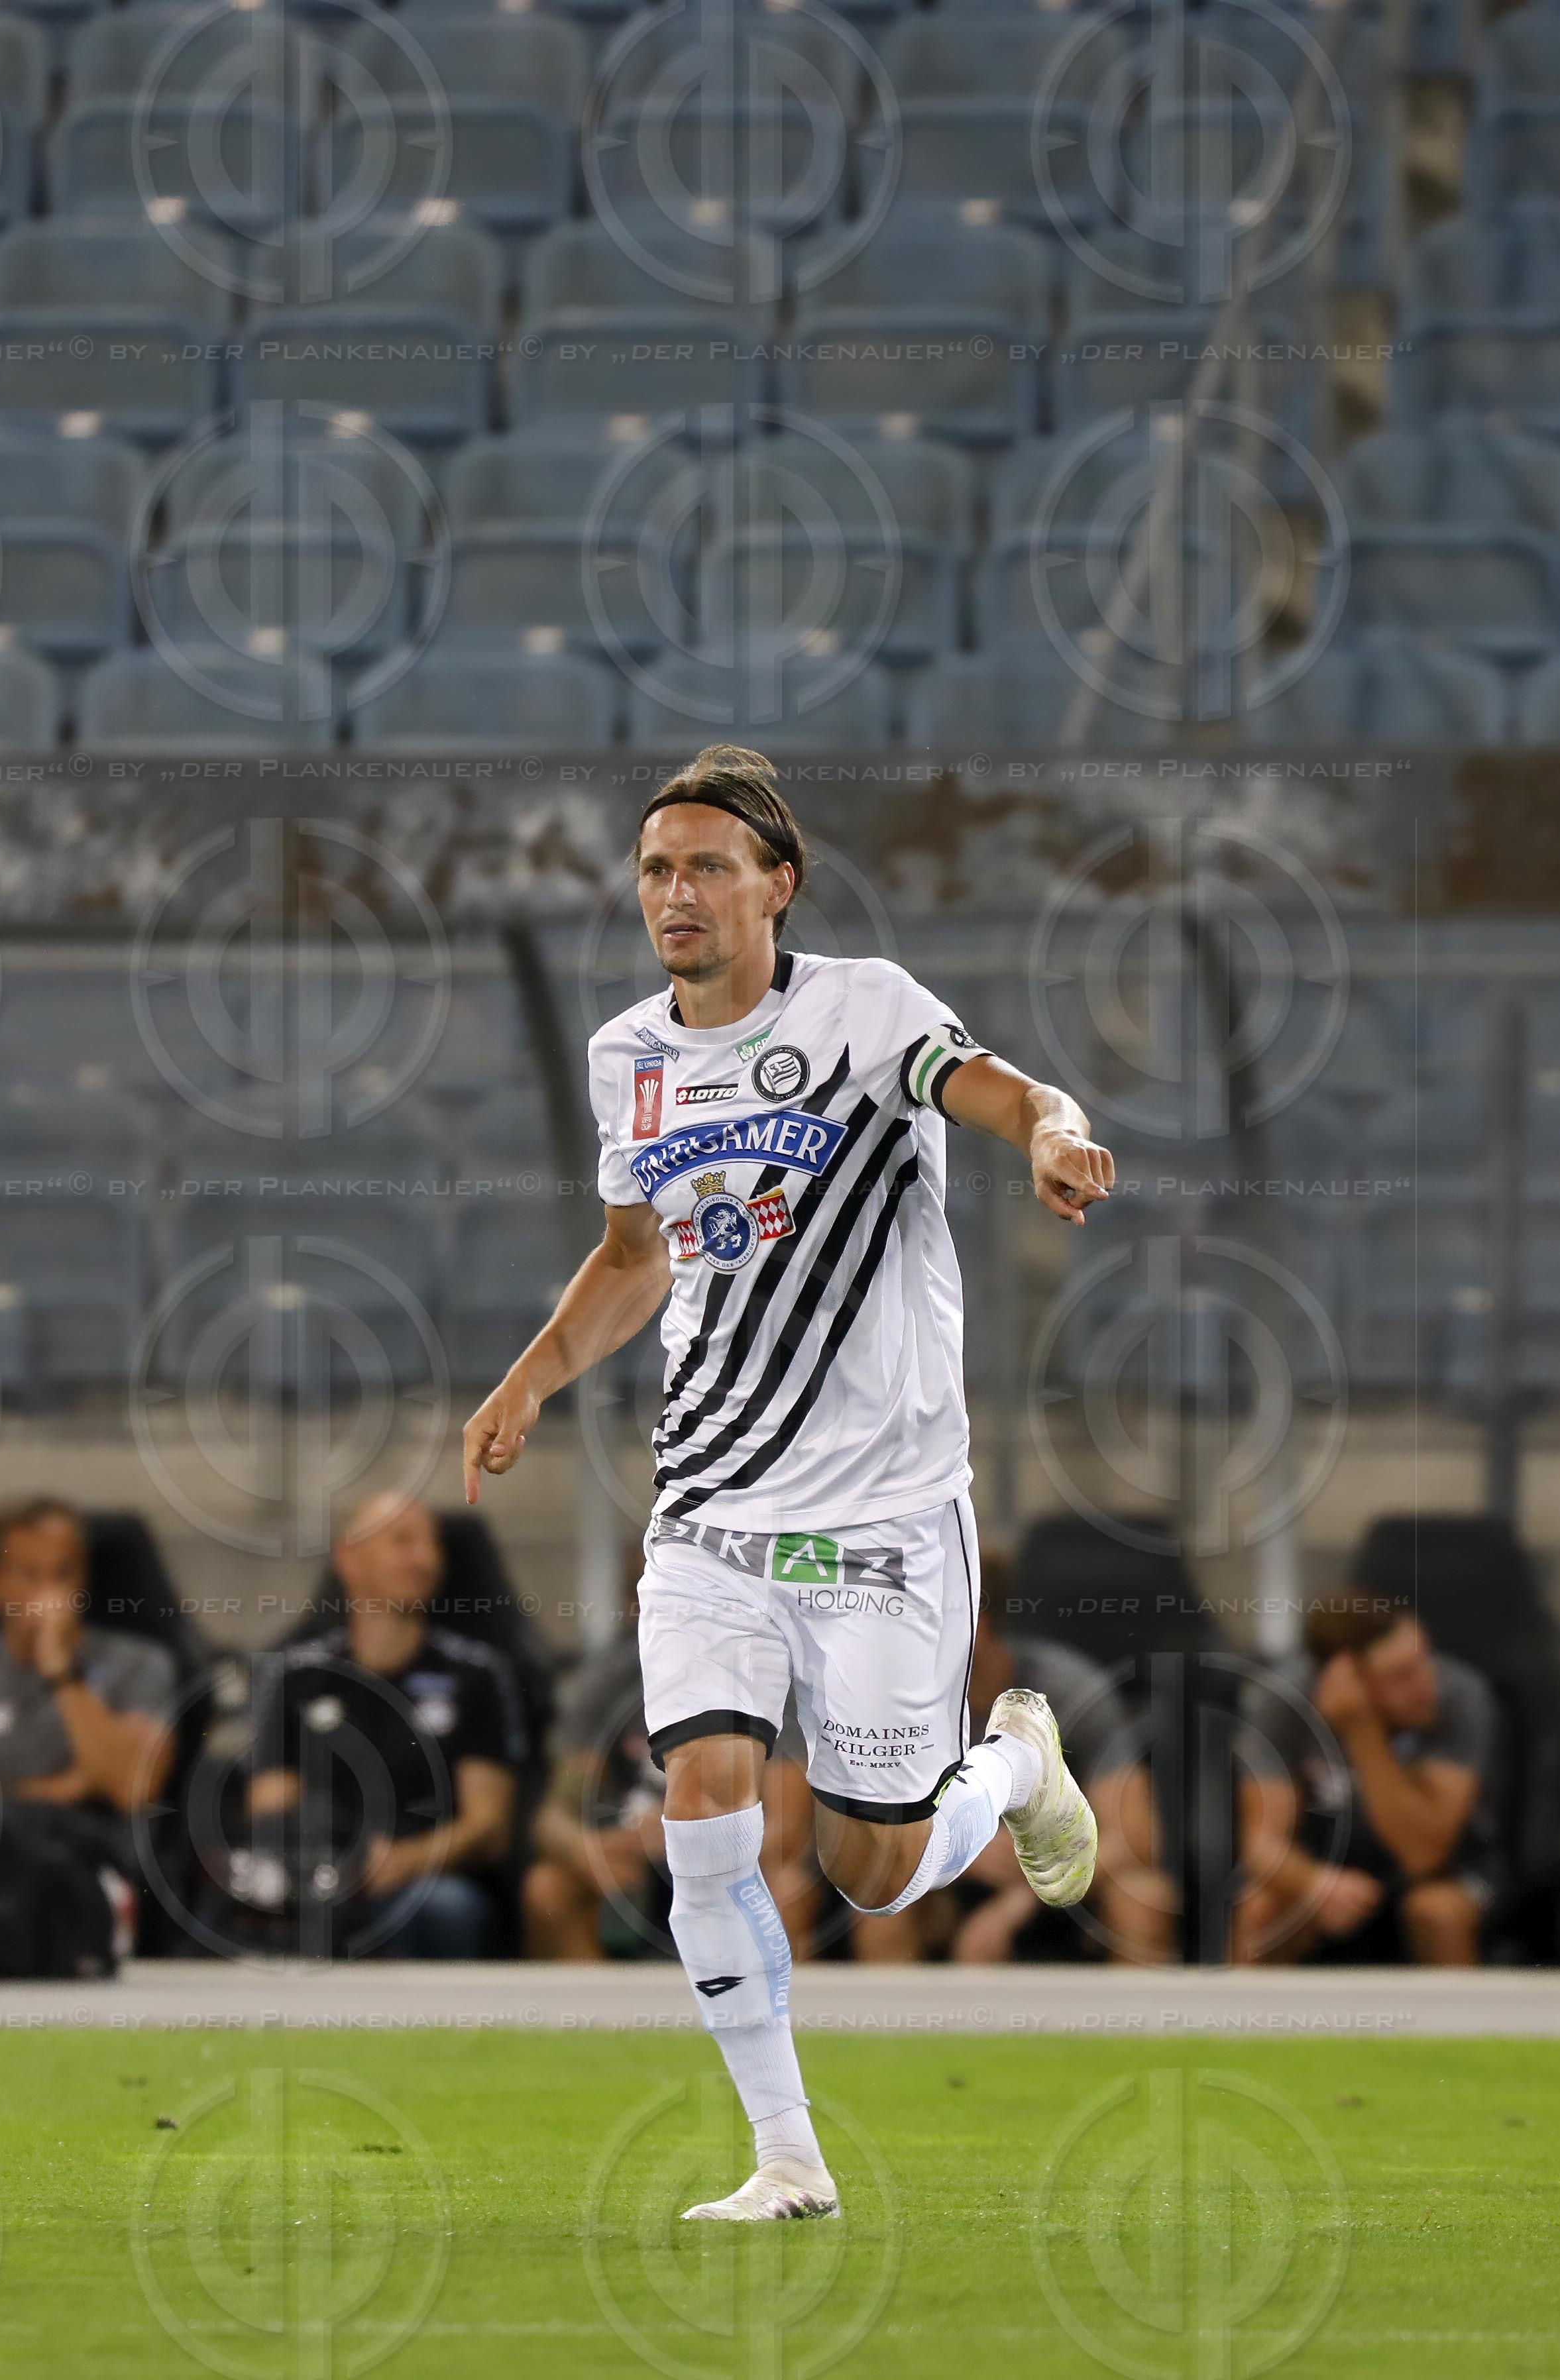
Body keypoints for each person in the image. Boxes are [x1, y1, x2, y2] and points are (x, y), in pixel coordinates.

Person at [461, 744, 1119, 2222]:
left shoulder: (868, 1011)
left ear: (778, 882)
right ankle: (786, 2156)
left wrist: (1059, 1133)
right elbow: (639, 1255)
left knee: (873, 1868)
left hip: (884, 1519)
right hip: (710, 1504)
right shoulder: (626, 1055)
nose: (672, 893)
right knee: (704, 1800)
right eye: (652, 869)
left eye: (702, 866)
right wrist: (533, 1376)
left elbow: (1002, 1091)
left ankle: (1013, 1765)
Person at [845, 1553, 1168, 1965]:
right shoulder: (900, 1701)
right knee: (881, 1905)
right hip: (951, 1877)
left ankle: (1135, 2027)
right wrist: (967, 1855)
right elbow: (879, 1832)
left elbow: (1136, 1836)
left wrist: (1030, 1892)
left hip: (1071, 1877)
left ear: (981, 1617)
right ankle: (888, 2026)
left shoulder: (1072, 1691)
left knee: (1144, 1897)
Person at [245, 1493, 529, 1960]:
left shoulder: (476, 1676)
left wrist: (403, 1862)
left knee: (445, 1909)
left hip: (427, 1878)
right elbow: (270, 1804)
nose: (425, 1559)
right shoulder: (296, 1676)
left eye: (431, 1545)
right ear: (348, 1558)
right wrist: (344, 1860)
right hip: (320, 1869)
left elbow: (488, 1825)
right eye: (402, 1542)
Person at [1233, 1593, 1498, 1966]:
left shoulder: (1460, 1696)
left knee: (1438, 1913)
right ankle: (1243, 2022)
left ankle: (1472, 2025)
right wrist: (1311, 1882)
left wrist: (1362, 1732)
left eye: (1425, 1658)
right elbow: (1259, 1840)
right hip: (1329, 1866)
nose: (1427, 1684)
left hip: (1452, 1871)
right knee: (1261, 1909)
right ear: (1346, 1678)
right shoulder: (1283, 1701)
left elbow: (1424, 1855)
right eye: (1402, 1675)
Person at [527, 1652, 822, 1963]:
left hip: (735, 1865)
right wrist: (585, 1850)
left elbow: (788, 1829)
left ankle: (773, 2007)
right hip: (633, 1863)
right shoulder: (615, 1676)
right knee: (547, 1887)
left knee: (789, 1887)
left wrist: (691, 1844)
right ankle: (598, 2010)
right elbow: (554, 1815)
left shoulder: (769, 1681)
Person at [0, 1497, 176, 1829]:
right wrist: (58, 1791)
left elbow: (132, 1787)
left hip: (89, 1854)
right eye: (30, 1574)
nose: (48, 1592)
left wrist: (63, 1674)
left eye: (62, 1573)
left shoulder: (141, 1664)